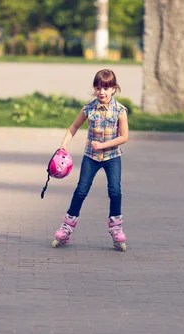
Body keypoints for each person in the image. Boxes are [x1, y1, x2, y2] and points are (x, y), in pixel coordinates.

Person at [52, 69, 130, 251]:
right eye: (98, 88)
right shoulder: (88, 108)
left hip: (112, 157)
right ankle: (66, 228)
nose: (101, 92)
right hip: (91, 157)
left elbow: (124, 137)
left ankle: (116, 229)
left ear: (114, 89)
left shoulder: (120, 111)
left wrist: (102, 145)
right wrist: (64, 144)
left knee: (115, 191)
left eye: (106, 88)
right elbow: (74, 126)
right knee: (81, 191)